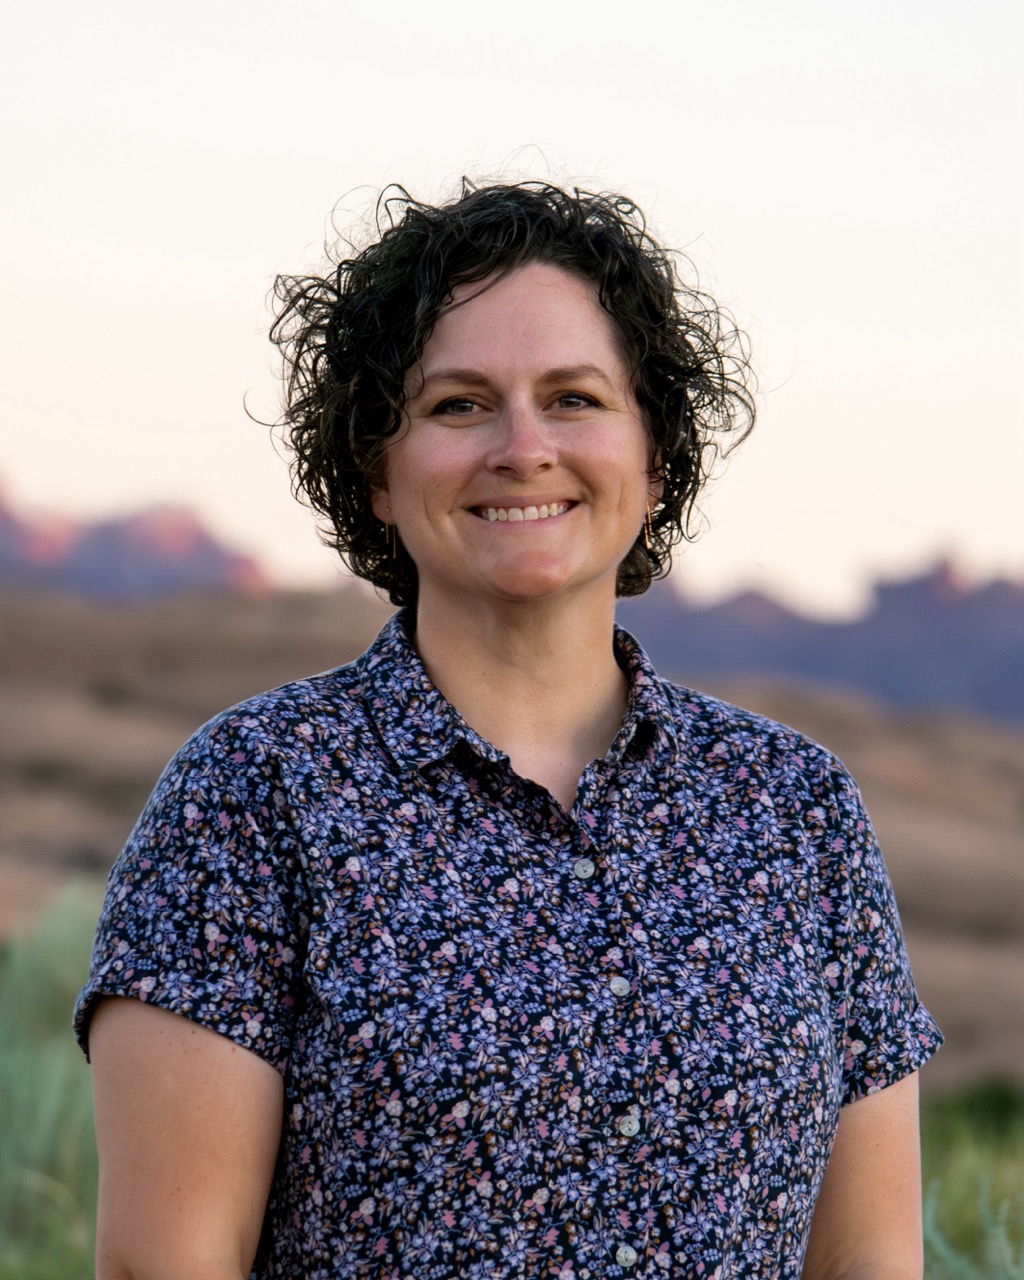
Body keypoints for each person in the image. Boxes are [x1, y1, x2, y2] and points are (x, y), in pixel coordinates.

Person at [75, 180, 941, 1280]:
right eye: (458, 403)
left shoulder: (795, 808)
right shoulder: (254, 793)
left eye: (574, 397)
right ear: (376, 471)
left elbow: (870, 1262)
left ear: (654, 455)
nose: (522, 446)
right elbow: (166, 1265)